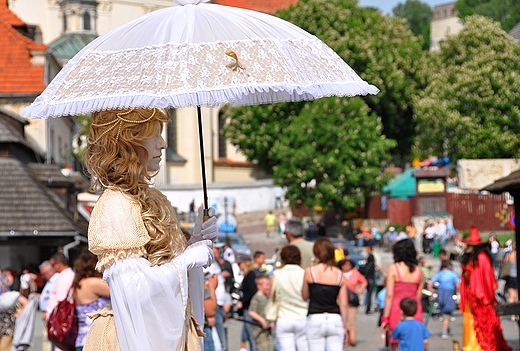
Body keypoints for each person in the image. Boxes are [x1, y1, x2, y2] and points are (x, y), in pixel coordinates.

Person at [83, 108, 217, 351]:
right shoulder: (116, 204)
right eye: (154, 134)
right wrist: (186, 260)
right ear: (128, 143)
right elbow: (134, 292)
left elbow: (160, 271)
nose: (163, 144)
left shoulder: (153, 198)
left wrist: (196, 240)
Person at [460, 226, 511, 351]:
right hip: (470, 298)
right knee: (470, 322)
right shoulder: (470, 259)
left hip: (481, 298)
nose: (467, 248)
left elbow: (487, 280)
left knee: (485, 326)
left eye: (470, 245)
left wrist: (482, 295)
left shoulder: (482, 259)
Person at [302, 238, 348, 351]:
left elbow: (304, 296)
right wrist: (345, 326)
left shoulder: (310, 271)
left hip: (316, 316)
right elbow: (344, 303)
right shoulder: (339, 274)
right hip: (334, 318)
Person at [380, 239, 424, 351]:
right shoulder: (420, 271)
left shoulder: (393, 268)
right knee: (414, 343)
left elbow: (389, 295)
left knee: (396, 344)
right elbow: (418, 296)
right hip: (414, 310)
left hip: (397, 310)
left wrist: (385, 318)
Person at [270, 245, 308, 351]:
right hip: (302, 317)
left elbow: (271, 295)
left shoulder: (277, 274)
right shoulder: (304, 273)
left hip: (284, 317)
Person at [73, 249, 111, 351]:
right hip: (95, 341)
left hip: (83, 341)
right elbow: (121, 293)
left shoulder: (80, 282)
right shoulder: (93, 283)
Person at [429, 260, 460, 339]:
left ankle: (447, 329)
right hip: (448, 294)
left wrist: (432, 293)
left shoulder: (439, 274)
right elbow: (458, 285)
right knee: (447, 314)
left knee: (444, 313)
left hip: (441, 295)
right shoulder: (452, 274)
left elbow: (430, 283)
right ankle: (444, 331)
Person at [338, 258, 366, 346]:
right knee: (342, 320)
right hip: (339, 299)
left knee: (352, 319)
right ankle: (345, 339)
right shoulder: (338, 273)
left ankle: (352, 338)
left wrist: (360, 289)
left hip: (352, 300)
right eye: (344, 265)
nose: (346, 267)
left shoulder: (355, 273)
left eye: (348, 265)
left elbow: (364, 282)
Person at [47, 252, 75, 323]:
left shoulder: (64, 278)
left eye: (53, 265)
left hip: (57, 318)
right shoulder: (70, 274)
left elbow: (61, 299)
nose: (52, 268)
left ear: (59, 264)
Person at [248, 275, 274, 351]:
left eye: (269, 285)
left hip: (268, 331)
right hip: (259, 331)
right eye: (266, 285)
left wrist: (272, 322)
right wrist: (262, 320)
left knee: (270, 347)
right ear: (259, 286)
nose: (268, 287)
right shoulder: (257, 298)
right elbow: (251, 312)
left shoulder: (266, 297)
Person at [503, 240, 518, 321]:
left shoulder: (509, 254)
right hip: (517, 277)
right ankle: (517, 314)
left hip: (510, 277)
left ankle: (512, 314)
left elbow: (504, 263)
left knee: (511, 297)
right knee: (517, 297)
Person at [364, 245, 377, 315]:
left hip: (370, 277)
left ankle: (368, 308)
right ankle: (368, 308)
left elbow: (369, 268)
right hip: (369, 278)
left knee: (369, 293)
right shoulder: (369, 257)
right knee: (369, 293)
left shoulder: (371, 257)